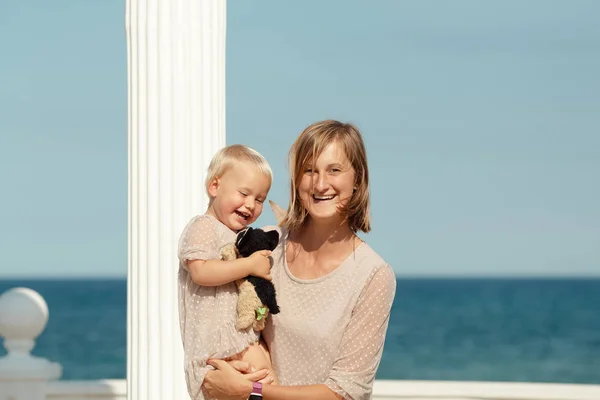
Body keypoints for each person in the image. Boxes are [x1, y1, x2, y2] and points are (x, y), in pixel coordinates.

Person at [202, 120, 397, 400]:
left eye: (334, 170)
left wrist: (252, 390)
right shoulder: (265, 245)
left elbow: (344, 393)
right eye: (309, 170)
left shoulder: (373, 275)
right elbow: (217, 316)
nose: (320, 184)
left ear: (357, 179)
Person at [177, 144, 278, 400]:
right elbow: (201, 271)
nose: (250, 205)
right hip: (215, 351)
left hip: (242, 341)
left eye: (259, 199)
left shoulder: (242, 238)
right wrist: (249, 265)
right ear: (214, 187)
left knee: (265, 382)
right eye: (243, 193)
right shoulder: (204, 226)